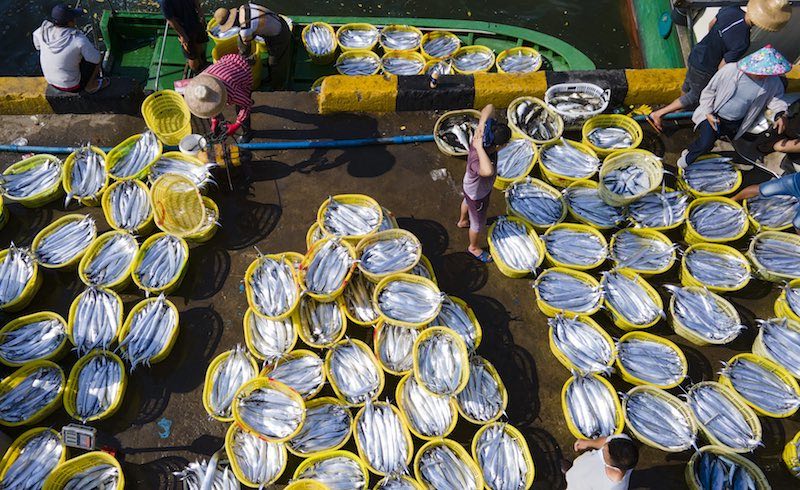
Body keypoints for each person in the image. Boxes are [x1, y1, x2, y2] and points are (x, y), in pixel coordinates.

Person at [647, 0, 791, 132]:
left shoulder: (731, 9)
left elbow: (711, 23)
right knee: (694, 96)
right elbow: (723, 66)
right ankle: (659, 114)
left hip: (697, 53)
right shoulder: (742, 42)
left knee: (687, 85)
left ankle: (677, 113)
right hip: (706, 68)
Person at [678, 45, 791, 168]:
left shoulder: (772, 82)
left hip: (736, 122)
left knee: (710, 142)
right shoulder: (730, 70)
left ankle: (691, 151)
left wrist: (781, 114)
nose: (764, 76)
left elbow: (777, 100)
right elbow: (709, 92)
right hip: (713, 115)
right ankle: (686, 162)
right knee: (706, 142)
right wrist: (708, 112)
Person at [456, 104, 512, 263]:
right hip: (478, 195)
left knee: (466, 201)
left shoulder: (482, 135)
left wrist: (482, 124)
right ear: (497, 146)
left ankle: (462, 221)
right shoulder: (477, 158)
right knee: (478, 225)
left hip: (470, 189)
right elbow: (487, 171)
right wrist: (480, 149)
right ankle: (473, 247)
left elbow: (490, 107)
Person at [32, 4, 107, 94]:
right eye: (73, 19)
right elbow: (96, 58)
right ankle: (90, 85)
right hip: (73, 86)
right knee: (99, 55)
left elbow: (38, 47)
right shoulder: (78, 39)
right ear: (70, 22)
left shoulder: (41, 32)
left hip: (50, 81)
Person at [212, 4, 292, 88]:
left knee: (275, 63)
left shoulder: (245, 30)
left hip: (280, 35)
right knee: (271, 58)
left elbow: (246, 47)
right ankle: (271, 78)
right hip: (279, 22)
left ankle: (278, 86)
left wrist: (245, 59)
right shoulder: (244, 7)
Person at [183, 53, 254, 143]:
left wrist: (236, 125)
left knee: (241, 106)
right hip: (226, 62)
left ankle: (247, 133)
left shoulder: (232, 93)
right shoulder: (200, 80)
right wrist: (214, 120)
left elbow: (248, 104)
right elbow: (209, 99)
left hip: (242, 69)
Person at [563, 435, 639, 490]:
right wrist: (588, 443)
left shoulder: (613, 488)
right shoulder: (623, 443)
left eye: (605, 451)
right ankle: (572, 470)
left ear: (615, 467)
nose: (603, 447)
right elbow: (605, 441)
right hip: (582, 467)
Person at [733, 173, 800, 228]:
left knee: (761, 189)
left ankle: (733, 200)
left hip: (794, 181)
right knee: (760, 190)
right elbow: (797, 224)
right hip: (795, 182)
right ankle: (733, 200)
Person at [160, 0, 208, 73]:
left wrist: (200, 12)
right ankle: (197, 71)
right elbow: (171, 20)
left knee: (200, 44)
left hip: (195, 20)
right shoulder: (165, 2)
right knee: (191, 54)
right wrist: (182, 35)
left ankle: (203, 62)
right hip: (184, 29)